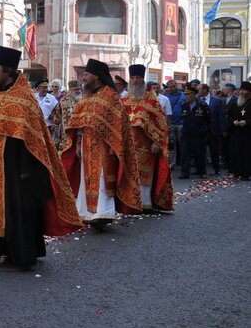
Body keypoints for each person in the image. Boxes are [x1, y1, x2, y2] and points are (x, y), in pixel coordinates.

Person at [0, 46, 81, 267]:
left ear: (7, 70)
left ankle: (19, 253)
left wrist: (28, 167)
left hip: (15, 164)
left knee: (15, 208)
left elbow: (32, 137)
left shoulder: (25, 97)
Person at [61, 59, 142, 230]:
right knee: (86, 178)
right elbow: (78, 122)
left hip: (105, 146)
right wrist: (77, 144)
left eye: (86, 75)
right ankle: (87, 213)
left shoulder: (109, 95)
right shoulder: (87, 96)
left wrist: (115, 145)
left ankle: (104, 213)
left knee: (102, 179)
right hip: (86, 145)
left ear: (96, 76)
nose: (83, 78)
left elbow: (119, 123)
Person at [123, 65, 174, 212]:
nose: (135, 81)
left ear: (143, 79)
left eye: (138, 78)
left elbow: (160, 123)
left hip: (145, 144)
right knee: (129, 173)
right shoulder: (125, 99)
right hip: (128, 143)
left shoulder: (152, 100)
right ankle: (130, 202)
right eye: (132, 78)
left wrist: (156, 142)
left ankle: (145, 203)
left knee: (145, 173)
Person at [178, 85, 209, 179]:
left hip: (198, 135)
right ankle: (185, 172)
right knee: (185, 154)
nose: (186, 96)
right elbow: (183, 118)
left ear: (194, 95)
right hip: (186, 134)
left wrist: (203, 131)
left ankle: (201, 171)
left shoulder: (202, 105)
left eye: (188, 94)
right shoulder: (184, 105)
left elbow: (208, 119)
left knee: (199, 154)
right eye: (185, 94)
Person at [226, 81, 251, 180]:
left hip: (248, 133)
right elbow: (229, 116)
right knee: (236, 152)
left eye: (244, 90)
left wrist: (247, 122)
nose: (241, 92)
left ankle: (246, 173)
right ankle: (236, 171)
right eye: (241, 90)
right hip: (236, 132)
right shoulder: (235, 102)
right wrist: (234, 121)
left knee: (246, 153)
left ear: (249, 92)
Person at [197, 83, 224, 174]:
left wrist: (221, 130)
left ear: (205, 90)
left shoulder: (217, 100)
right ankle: (201, 169)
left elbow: (221, 116)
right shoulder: (197, 100)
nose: (198, 91)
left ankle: (216, 168)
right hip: (201, 129)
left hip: (213, 129)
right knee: (201, 150)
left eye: (199, 89)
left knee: (214, 150)